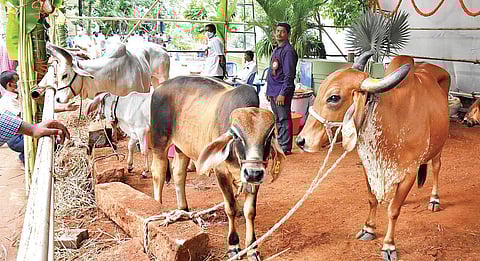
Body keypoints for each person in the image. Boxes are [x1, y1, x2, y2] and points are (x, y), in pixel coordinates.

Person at [0, 71, 77, 165]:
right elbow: (21, 119)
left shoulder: (19, 95)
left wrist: (64, 108)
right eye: (18, 81)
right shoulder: (7, 101)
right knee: (48, 142)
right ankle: (25, 159)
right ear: (10, 84)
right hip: (16, 138)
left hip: (24, 130)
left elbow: (41, 109)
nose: (20, 83)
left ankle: (24, 155)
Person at [265, 22, 298, 155]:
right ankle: (281, 142)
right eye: (277, 31)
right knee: (278, 118)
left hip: (281, 91)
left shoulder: (288, 51)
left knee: (284, 118)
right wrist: (268, 91)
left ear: (287, 34)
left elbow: (289, 75)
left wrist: (282, 93)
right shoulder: (276, 49)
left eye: (282, 31)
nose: (279, 33)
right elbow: (272, 72)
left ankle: (285, 147)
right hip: (273, 90)